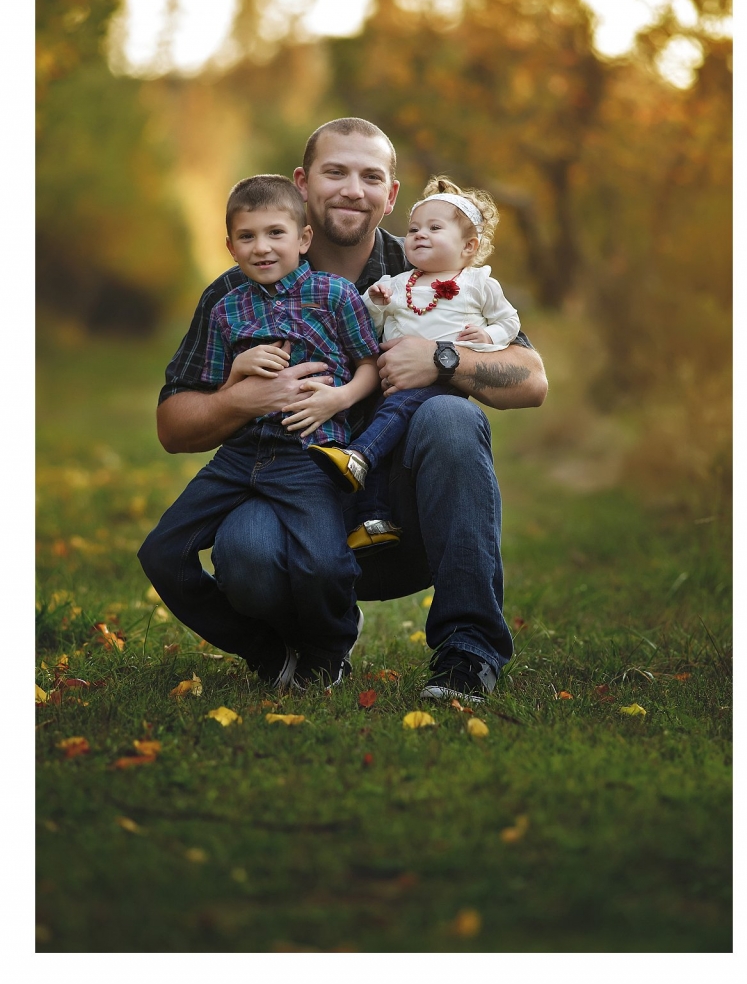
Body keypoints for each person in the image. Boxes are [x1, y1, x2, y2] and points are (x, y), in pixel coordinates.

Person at [145, 117, 548, 703]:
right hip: (289, 497)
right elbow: (171, 425)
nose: (352, 189)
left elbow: (533, 381)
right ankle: (305, 649)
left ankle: (468, 651)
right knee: (243, 553)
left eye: (371, 176)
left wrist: (440, 358)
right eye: (335, 172)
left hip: (403, 522)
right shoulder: (240, 290)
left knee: (452, 417)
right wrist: (239, 399)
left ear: (391, 194)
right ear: (303, 184)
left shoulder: (432, 270)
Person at [138, 173, 382, 688]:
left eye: (275, 233)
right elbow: (206, 397)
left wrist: (338, 398)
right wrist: (235, 375)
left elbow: (371, 367)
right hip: (239, 454)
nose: (262, 247)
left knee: (323, 564)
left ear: (303, 239)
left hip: (307, 455)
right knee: (161, 552)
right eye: (247, 237)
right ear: (229, 246)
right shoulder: (226, 308)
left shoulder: (335, 296)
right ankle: (264, 650)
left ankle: (330, 646)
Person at [307, 175, 521, 538]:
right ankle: (373, 519)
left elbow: (509, 321)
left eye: (434, 228)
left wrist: (487, 335)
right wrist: (374, 304)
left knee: (390, 419)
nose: (419, 234)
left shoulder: (478, 283)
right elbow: (365, 329)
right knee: (387, 432)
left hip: (442, 389)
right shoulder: (397, 283)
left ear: (469, 246)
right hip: (392, 387)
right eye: (414, 228)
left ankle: (357, 456)